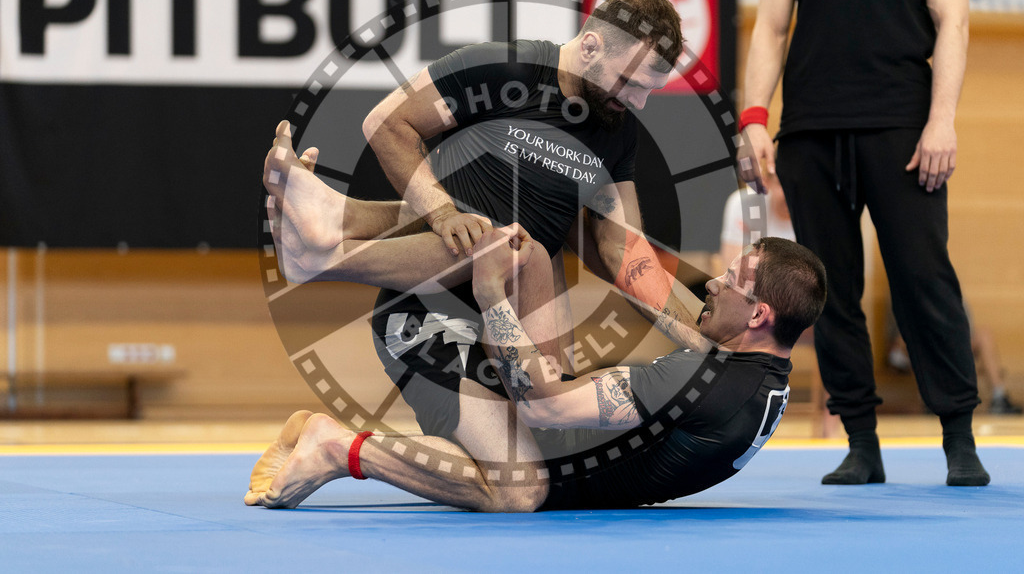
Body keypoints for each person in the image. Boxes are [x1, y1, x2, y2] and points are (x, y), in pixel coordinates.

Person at [264, 0, 710, 465]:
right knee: (504, 238)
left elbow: (623, 250)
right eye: (630, 82)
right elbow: (386, 123)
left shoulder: (617, 131)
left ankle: (331, 441)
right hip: (427, 320)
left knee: (539, 472)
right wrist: (441, 213)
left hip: (509, 324)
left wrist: (706, 348)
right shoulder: (503, 70)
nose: (639, 102)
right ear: (590, 46)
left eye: (650, 89)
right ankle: (326, 253)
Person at [244, 231, 828, 511]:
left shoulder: (703, 382)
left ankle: (330, 439)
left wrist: (491, 295)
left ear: (759, 314)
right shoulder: (761, 371)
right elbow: (693, 327)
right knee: (520, 489)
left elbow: (546, 406)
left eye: (732, 282)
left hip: (513, 389)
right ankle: (331, 254)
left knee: (523, 483)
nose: (715, 283)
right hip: (418, 328)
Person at [736, 0, 989, 486]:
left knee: (922, 276)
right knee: (829, 288)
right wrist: (752, 118)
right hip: (809, 130)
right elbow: (771, 29)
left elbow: (953, 18)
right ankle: (860, 442)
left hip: (902, 125)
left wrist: (942, 119)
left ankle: (958, 435)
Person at [885, 300, 1022, 415]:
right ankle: (930, 400)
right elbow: (896, 337)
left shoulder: (947, 283)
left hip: (950, 344)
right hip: (914, 348)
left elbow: (966, 325)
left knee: (983, 335)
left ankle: (999, 398)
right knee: (917, 339)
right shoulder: (901, 285)